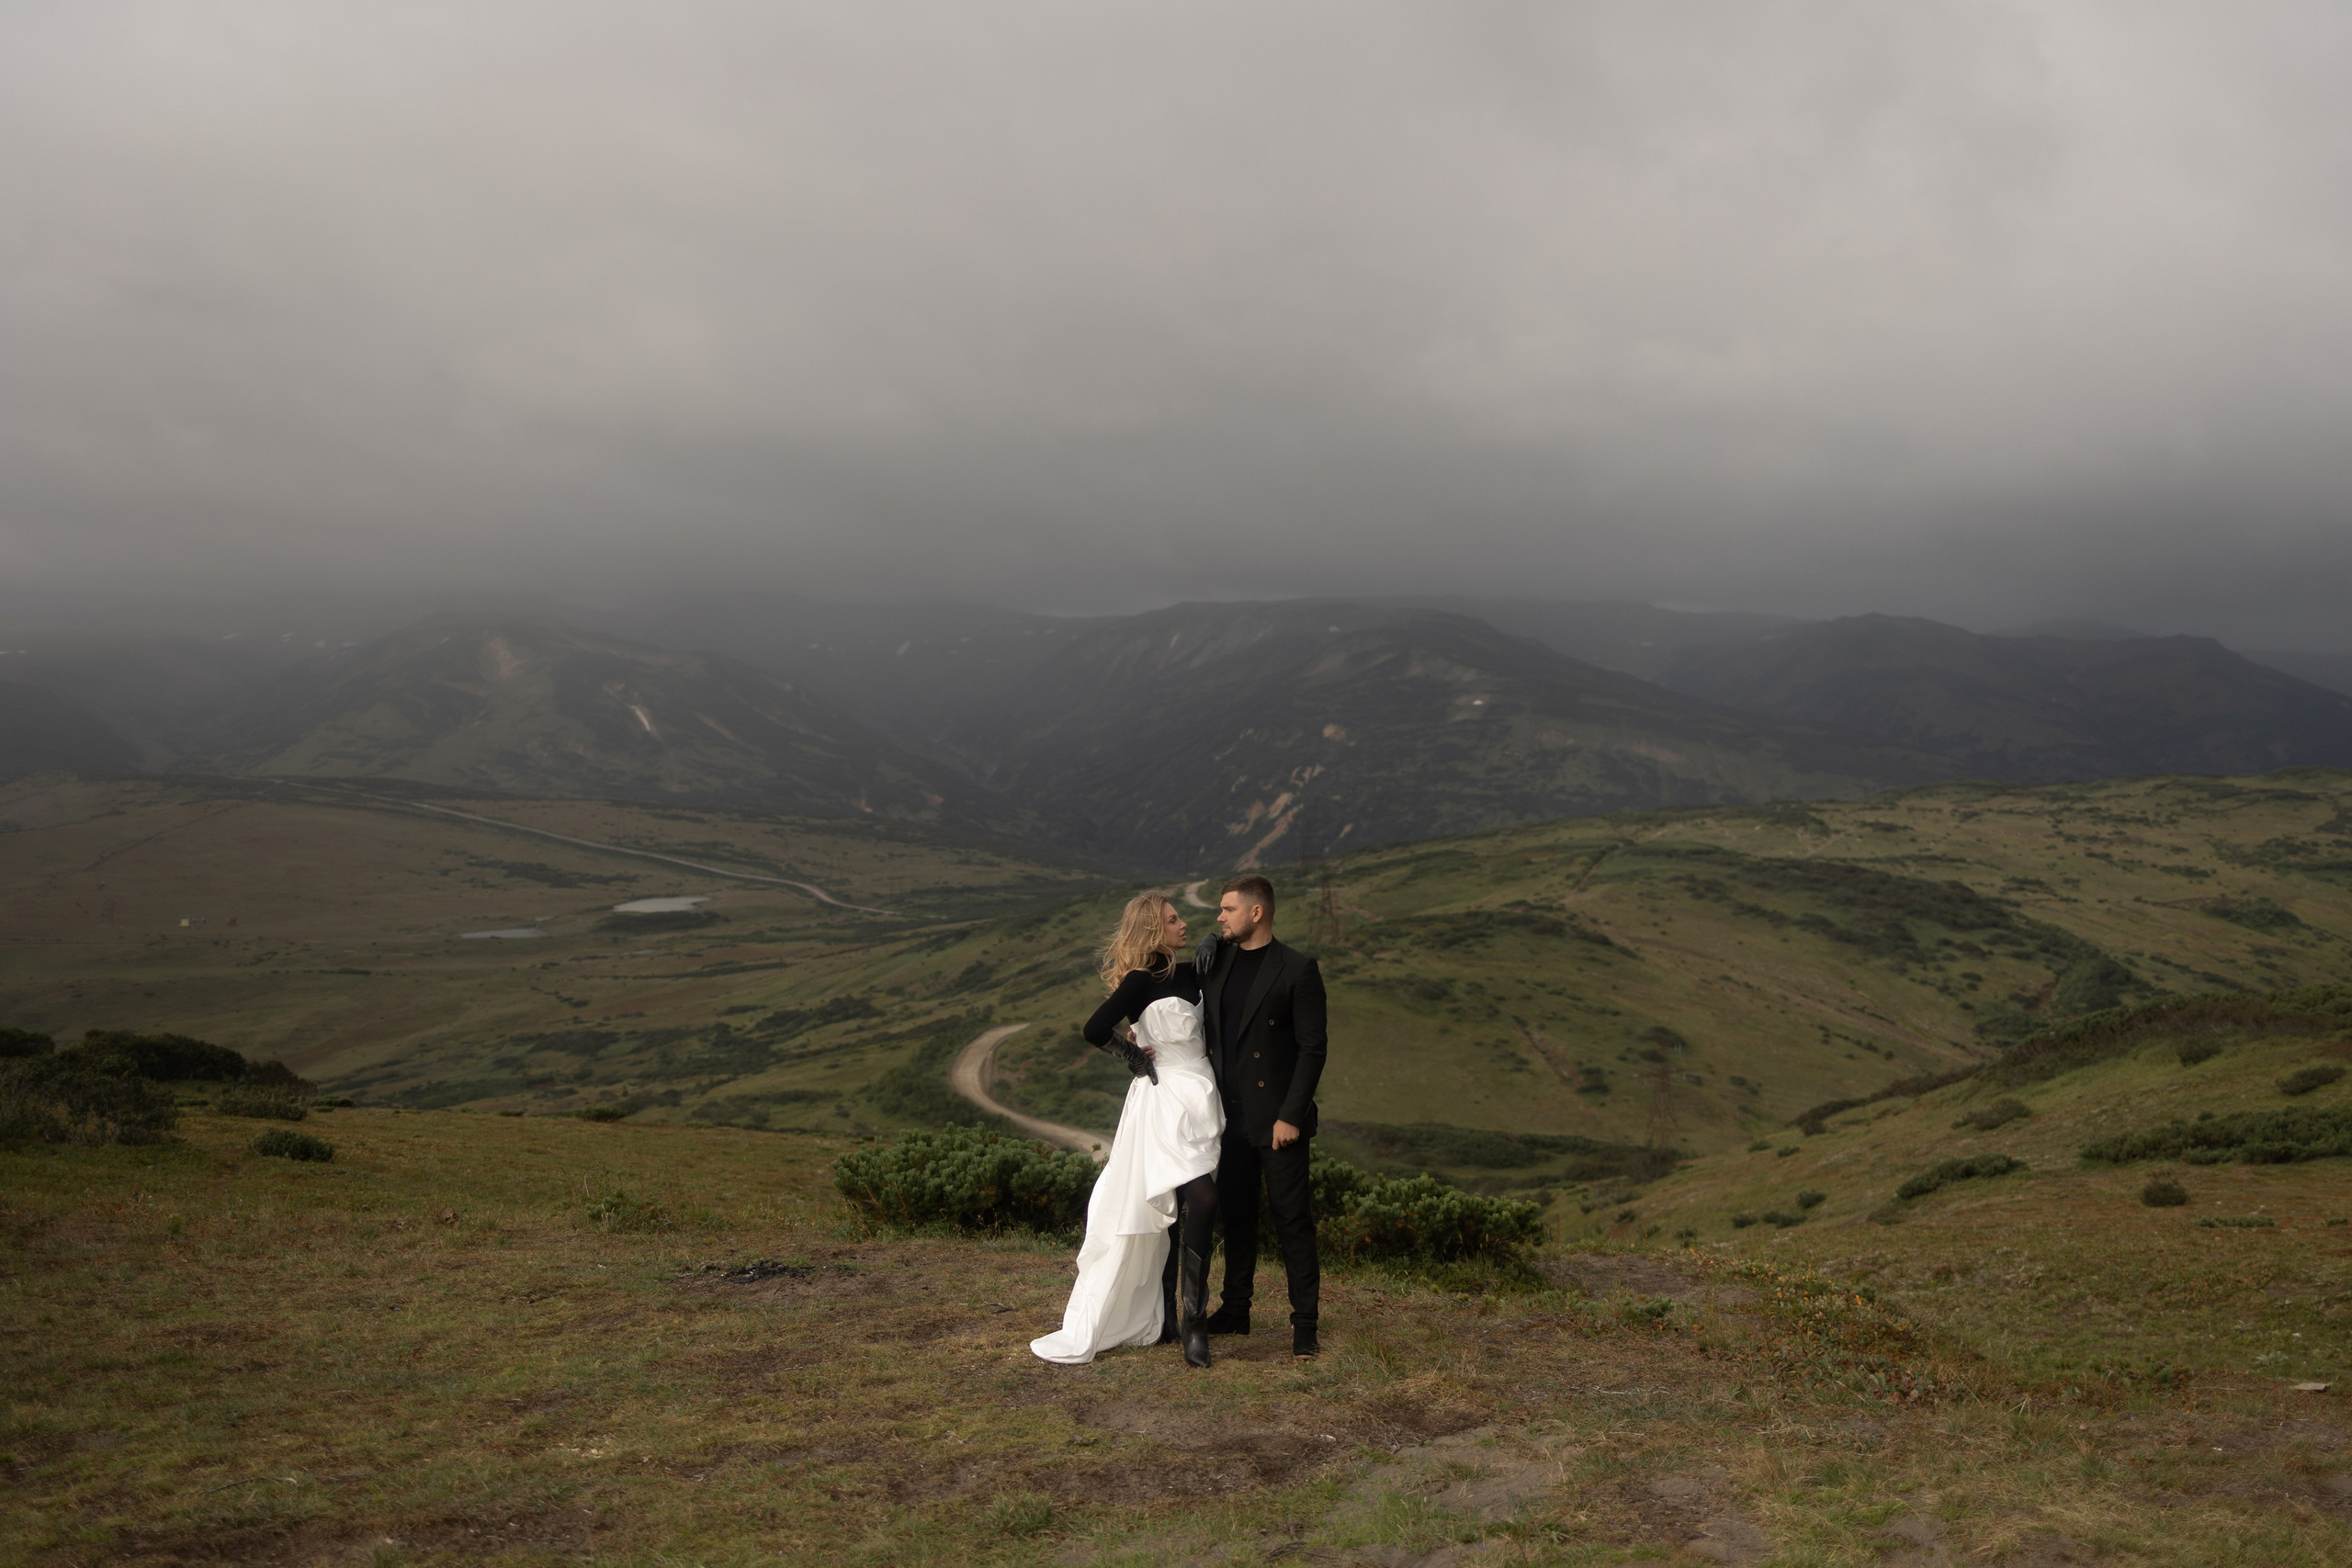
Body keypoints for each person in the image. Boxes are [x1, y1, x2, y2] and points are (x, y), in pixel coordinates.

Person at [1028, 893, 1227, 1369]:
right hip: (1162, 1102)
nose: (1183, 924)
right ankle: (1193, 1327)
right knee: (1200, 1200)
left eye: (1182, 919)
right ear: (1152, 931)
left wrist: (1212, 939)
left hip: (1200, 1093)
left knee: (1181, 1212)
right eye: (1174, 920)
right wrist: (1134, 1057)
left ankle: (1168, 1323)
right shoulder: (1141, 981)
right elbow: (1094, 1028)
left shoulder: (1191, 971)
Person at [1194, 874, 1328, 1359]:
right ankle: (1235, 1309)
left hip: (1277, 1121)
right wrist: (1210, 942)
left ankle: (1305, 1323)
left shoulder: (1296, 968)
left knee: (1293, 1219)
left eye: (1226, 910)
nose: (1219, 917)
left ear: (1257, 913)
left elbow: (1313, 1050)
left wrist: (1291, 1115)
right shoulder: (1217, 961)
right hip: (1228, 1116)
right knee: (1237, 1217)